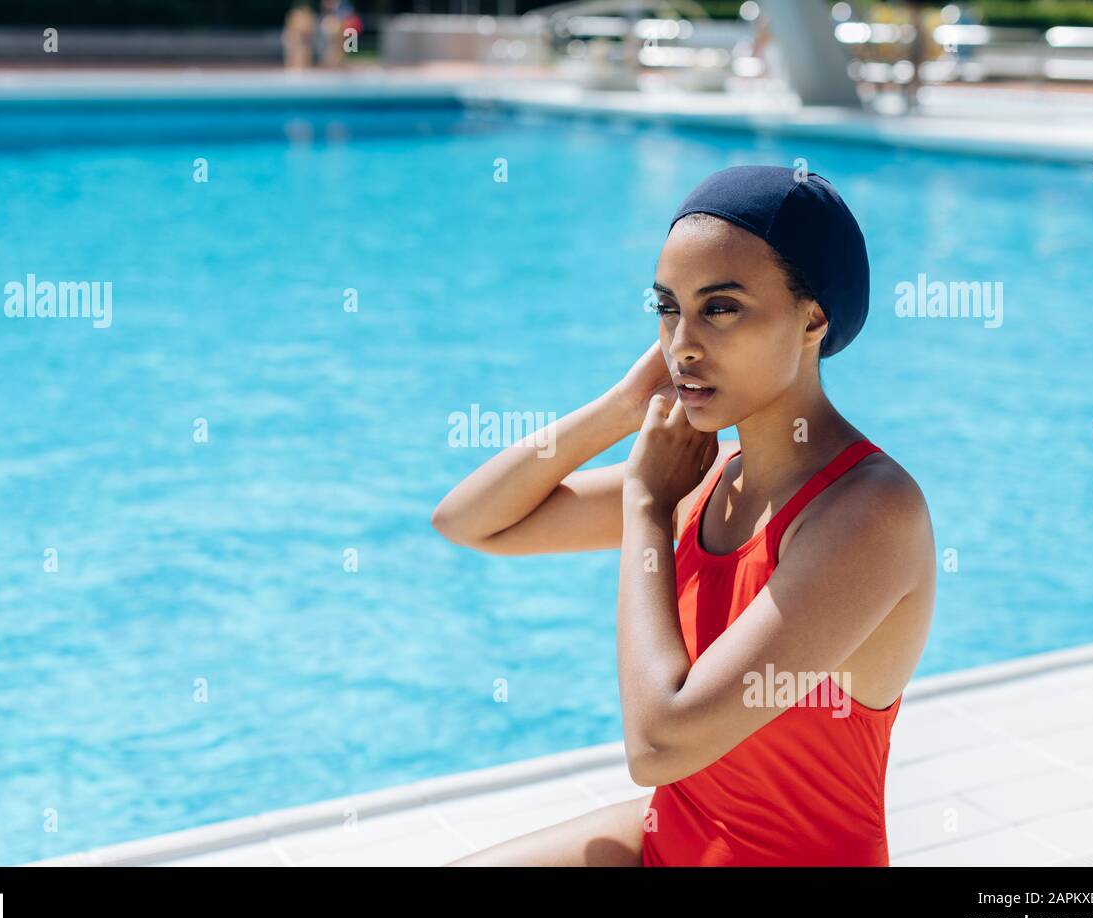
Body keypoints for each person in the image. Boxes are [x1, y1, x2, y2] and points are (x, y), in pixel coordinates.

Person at [432, 165, 935, 866]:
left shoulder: (870, 512)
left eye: (721, 308)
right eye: (669, 309)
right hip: (674, 839)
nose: (683, 345)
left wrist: (645, 507)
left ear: (812, 319)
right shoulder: (707, 480)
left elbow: (659, 744)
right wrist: (619, 407)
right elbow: (469, 521)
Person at [283, 1, 317, 71]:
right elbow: (294, 29)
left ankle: (303, 68)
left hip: (303, 40)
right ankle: (293, 69)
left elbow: (309, 30)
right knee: (295, 54)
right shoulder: (295, 14)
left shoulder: (309, 15)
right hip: (294, 39)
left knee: (305, 53)